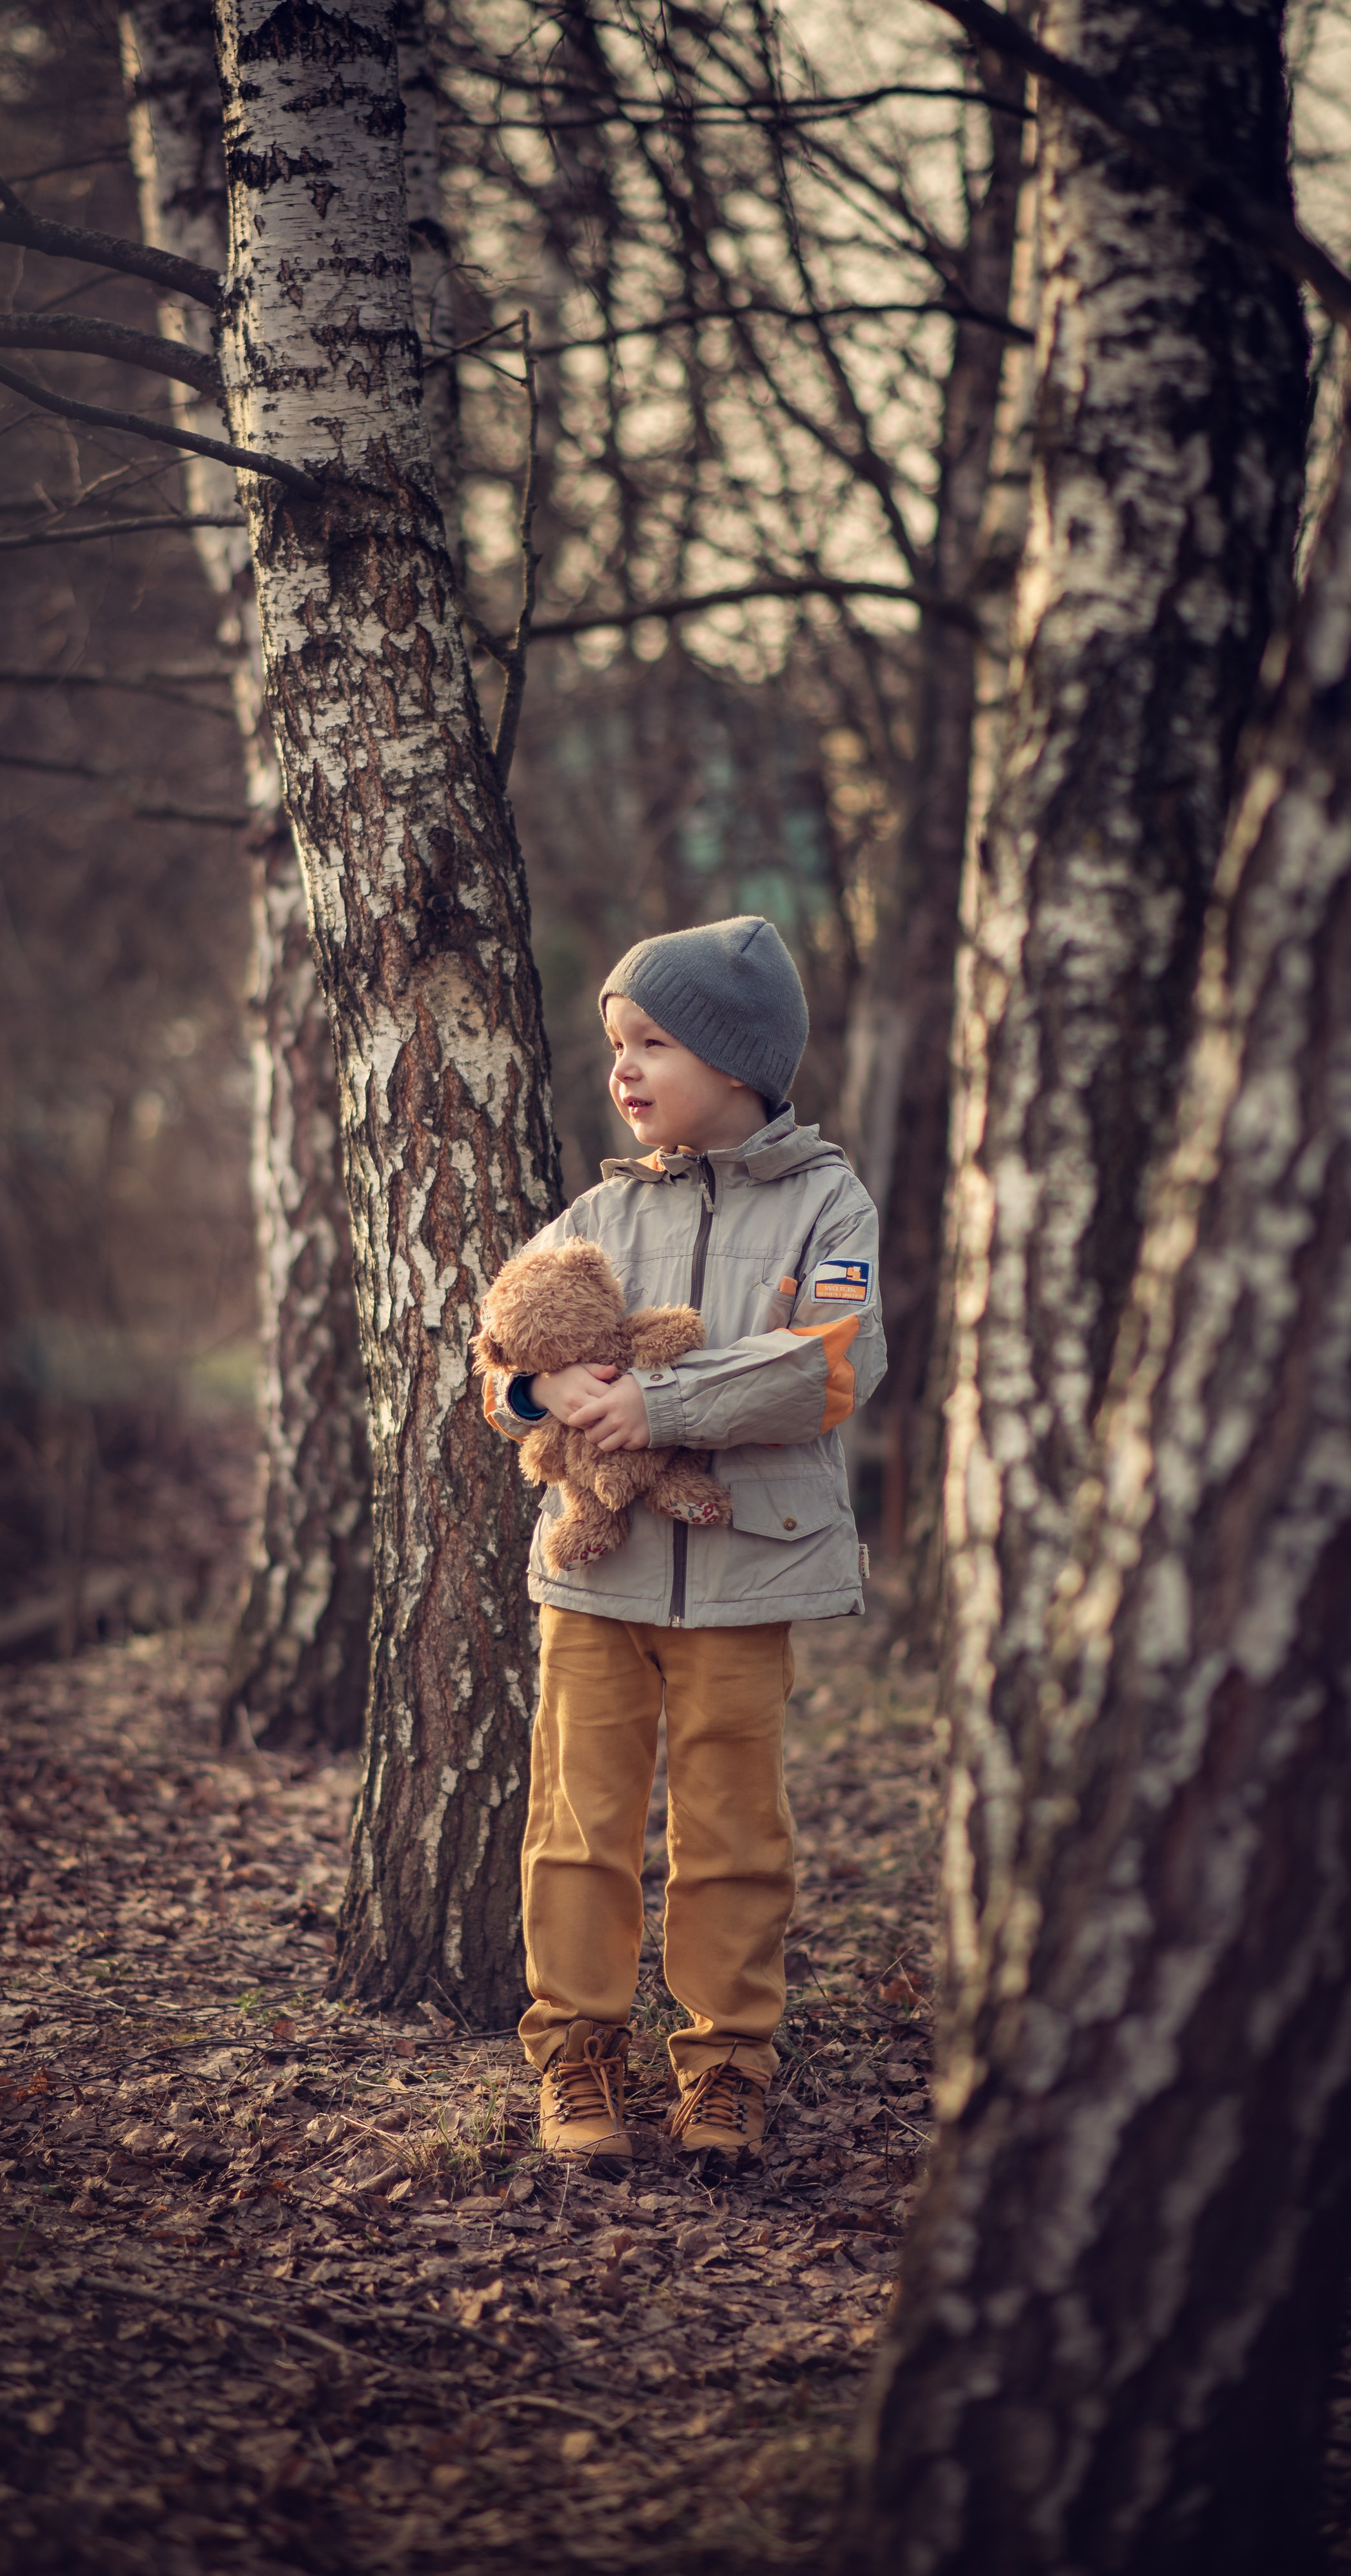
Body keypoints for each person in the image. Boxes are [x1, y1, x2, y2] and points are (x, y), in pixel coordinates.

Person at [477, 915, 886, 2170]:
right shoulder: (598, 1212)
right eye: (616, 1042)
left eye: (653, 1042)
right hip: (596, 1576)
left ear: (738, 1059)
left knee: (732, 1832)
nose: (624, 1067)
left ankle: (726, 2066)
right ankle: (578, 2055)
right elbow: (498, 1360)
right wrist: (541, 1394)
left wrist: (661, 1404)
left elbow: (831, 1365)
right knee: (577, 1823)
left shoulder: (828, 1203)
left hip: (749, 1567)